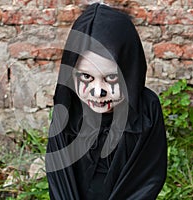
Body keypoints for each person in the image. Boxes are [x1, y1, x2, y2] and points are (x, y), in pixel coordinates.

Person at [45, 3, 167, 200]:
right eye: (86, 77)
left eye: (111, 78)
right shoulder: (69, 107)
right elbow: (59, 174)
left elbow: (147, 178)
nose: (98, 92)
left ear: (130, 74)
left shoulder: (146, 110)